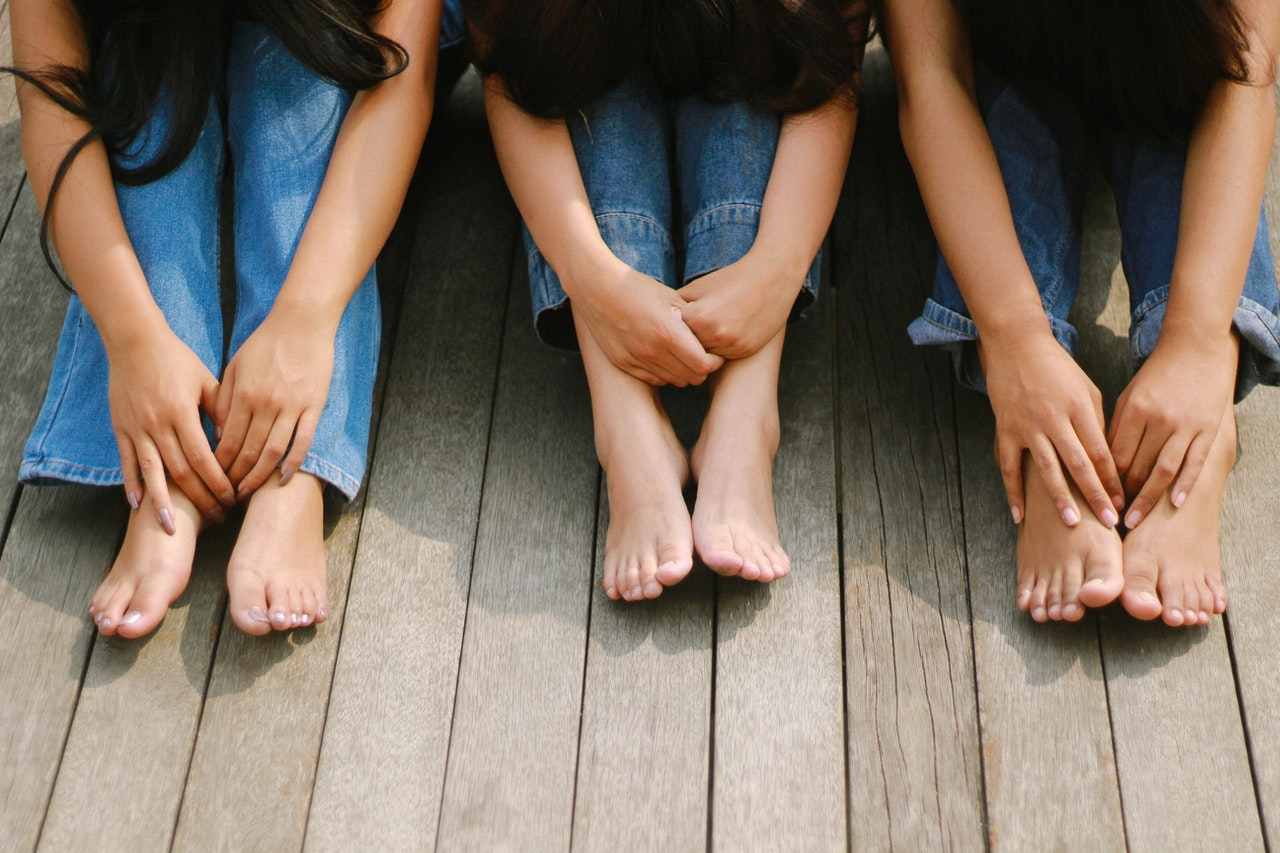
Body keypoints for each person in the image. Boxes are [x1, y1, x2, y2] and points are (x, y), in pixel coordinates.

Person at [13, 0, 465, 637]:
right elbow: (54, 100)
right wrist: (134, 336)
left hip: (342, 46)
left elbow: (400, 81)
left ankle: (291, 468)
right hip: (158, 39)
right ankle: (166, 474)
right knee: (148, 67)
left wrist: (303, 321)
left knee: (300, 73)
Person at [879, 0, 1280, 625]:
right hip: (1001, 59)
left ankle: (1201, 426)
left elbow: (1245, 79)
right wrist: (1017, 343)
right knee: (1006, 121)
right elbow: (934, 81)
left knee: (1192, 104)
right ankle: (1055, 448)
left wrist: (1197, 343)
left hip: (1165, 64)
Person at [465, 0, 868, 601]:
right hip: (587, 57)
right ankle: (627, 426)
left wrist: (775, 269)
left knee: (758, 68)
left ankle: (743, 418)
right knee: (580, 77)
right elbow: (512, 69)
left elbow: (829, 68)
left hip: (742, 49)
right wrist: (595, 281)